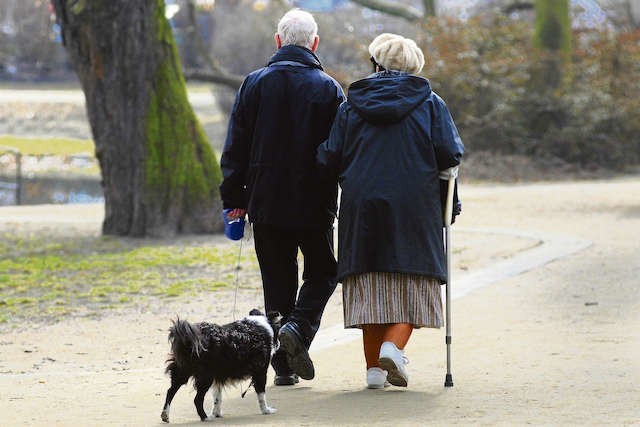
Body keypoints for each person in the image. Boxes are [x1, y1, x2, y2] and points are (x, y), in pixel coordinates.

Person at [317, 33, 464, 389]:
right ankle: (392, 349)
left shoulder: (350, 105)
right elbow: (450, 155)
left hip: (362, 205)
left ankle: (374, 371)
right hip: (414, 206)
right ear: (414, 68)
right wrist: (452, 203)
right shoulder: (431, 103)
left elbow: (329, 155)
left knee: (370, 287)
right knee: (414, 282)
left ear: (375, 64)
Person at [219, 9, 345, 386]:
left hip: (265, 200)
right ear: (315, 44)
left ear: (277, 41)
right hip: (314, 200)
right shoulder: (329, 88)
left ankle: (284, 368)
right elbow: (336, 150)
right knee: (324, 271)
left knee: (277, 279)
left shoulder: (253, 84)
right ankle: (299, 329)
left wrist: (233, 200)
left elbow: (235, 147)